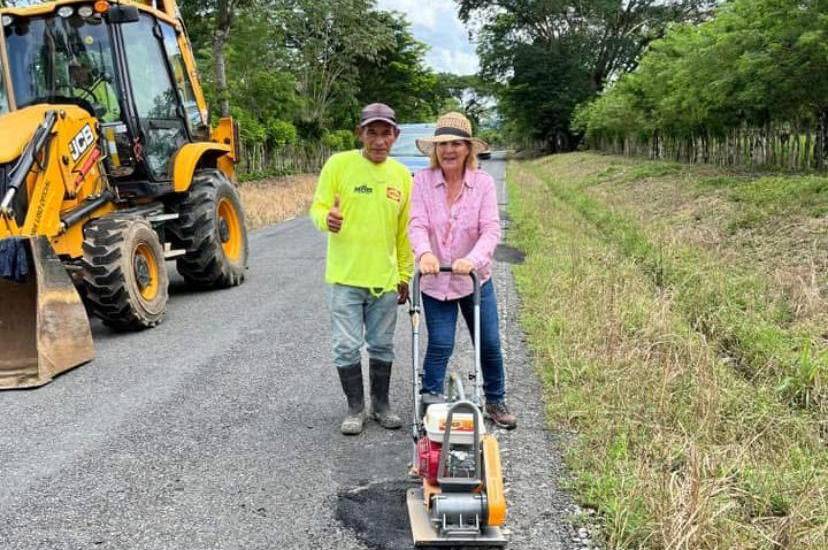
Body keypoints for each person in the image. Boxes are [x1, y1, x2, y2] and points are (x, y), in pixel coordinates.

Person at [408, 112, 517, 429]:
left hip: (473, 280)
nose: (449, 150)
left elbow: (491, 230)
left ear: (468, 148)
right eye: (442, 144)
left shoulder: (482, 183)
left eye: (456, 143)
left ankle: (495, 400)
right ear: (435, 149)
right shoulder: (423, 182)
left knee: (489, 343)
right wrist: (425, 252)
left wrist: (474, 258)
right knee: (441, 343)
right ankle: (430, 398)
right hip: (435, 279)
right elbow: (417, 224)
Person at [310, 103, 414, 435]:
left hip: (384, 281)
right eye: (372, 132)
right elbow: (318, 208)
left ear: (396, 136)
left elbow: (404, 232)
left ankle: (381, 405)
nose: (379, 140)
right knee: (346, 345)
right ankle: (355, 409)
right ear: (361, 133)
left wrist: (404, 274)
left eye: (386, 133)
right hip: (344, 279)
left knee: (383, 345)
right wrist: (327, 219)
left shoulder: (401, 176)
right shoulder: (338, 165)